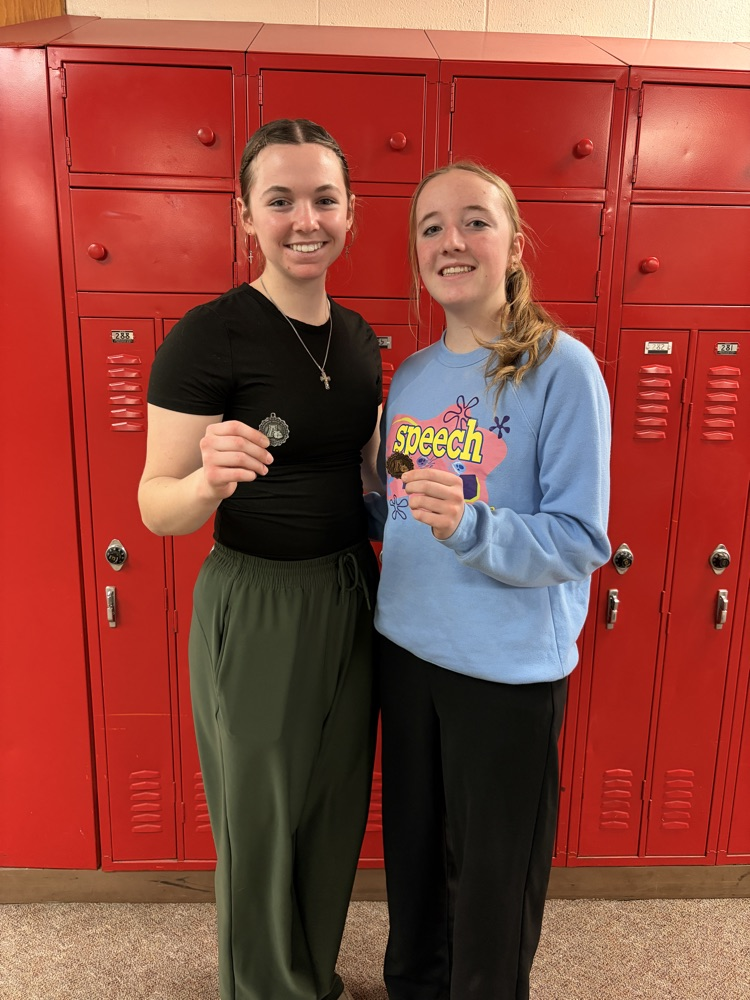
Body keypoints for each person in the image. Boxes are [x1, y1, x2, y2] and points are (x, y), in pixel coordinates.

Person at [138, 119, 382, 1000]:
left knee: (333, 807)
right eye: (279, 200)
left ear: (351, 213)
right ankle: (263, 988)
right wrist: (204, 483)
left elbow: (365, 476)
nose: (303, 218)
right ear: (247, 216)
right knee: (260, 815)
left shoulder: (359, 339)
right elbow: (154, 502)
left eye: (324, 198)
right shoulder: (211, 335)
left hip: (352, 589)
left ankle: (309, 975)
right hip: (259, 599)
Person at [374, 162, 611, 1000]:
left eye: (475, 221)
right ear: (416, 255)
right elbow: (400, 514)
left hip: (504, 674)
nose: (452, 242)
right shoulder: (408, 378)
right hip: (405, 656)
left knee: (491, 896)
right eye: (431, 227)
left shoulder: (561, 369)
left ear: (514, 244)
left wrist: (470, 526)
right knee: (413, 871)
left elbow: (580, 537)